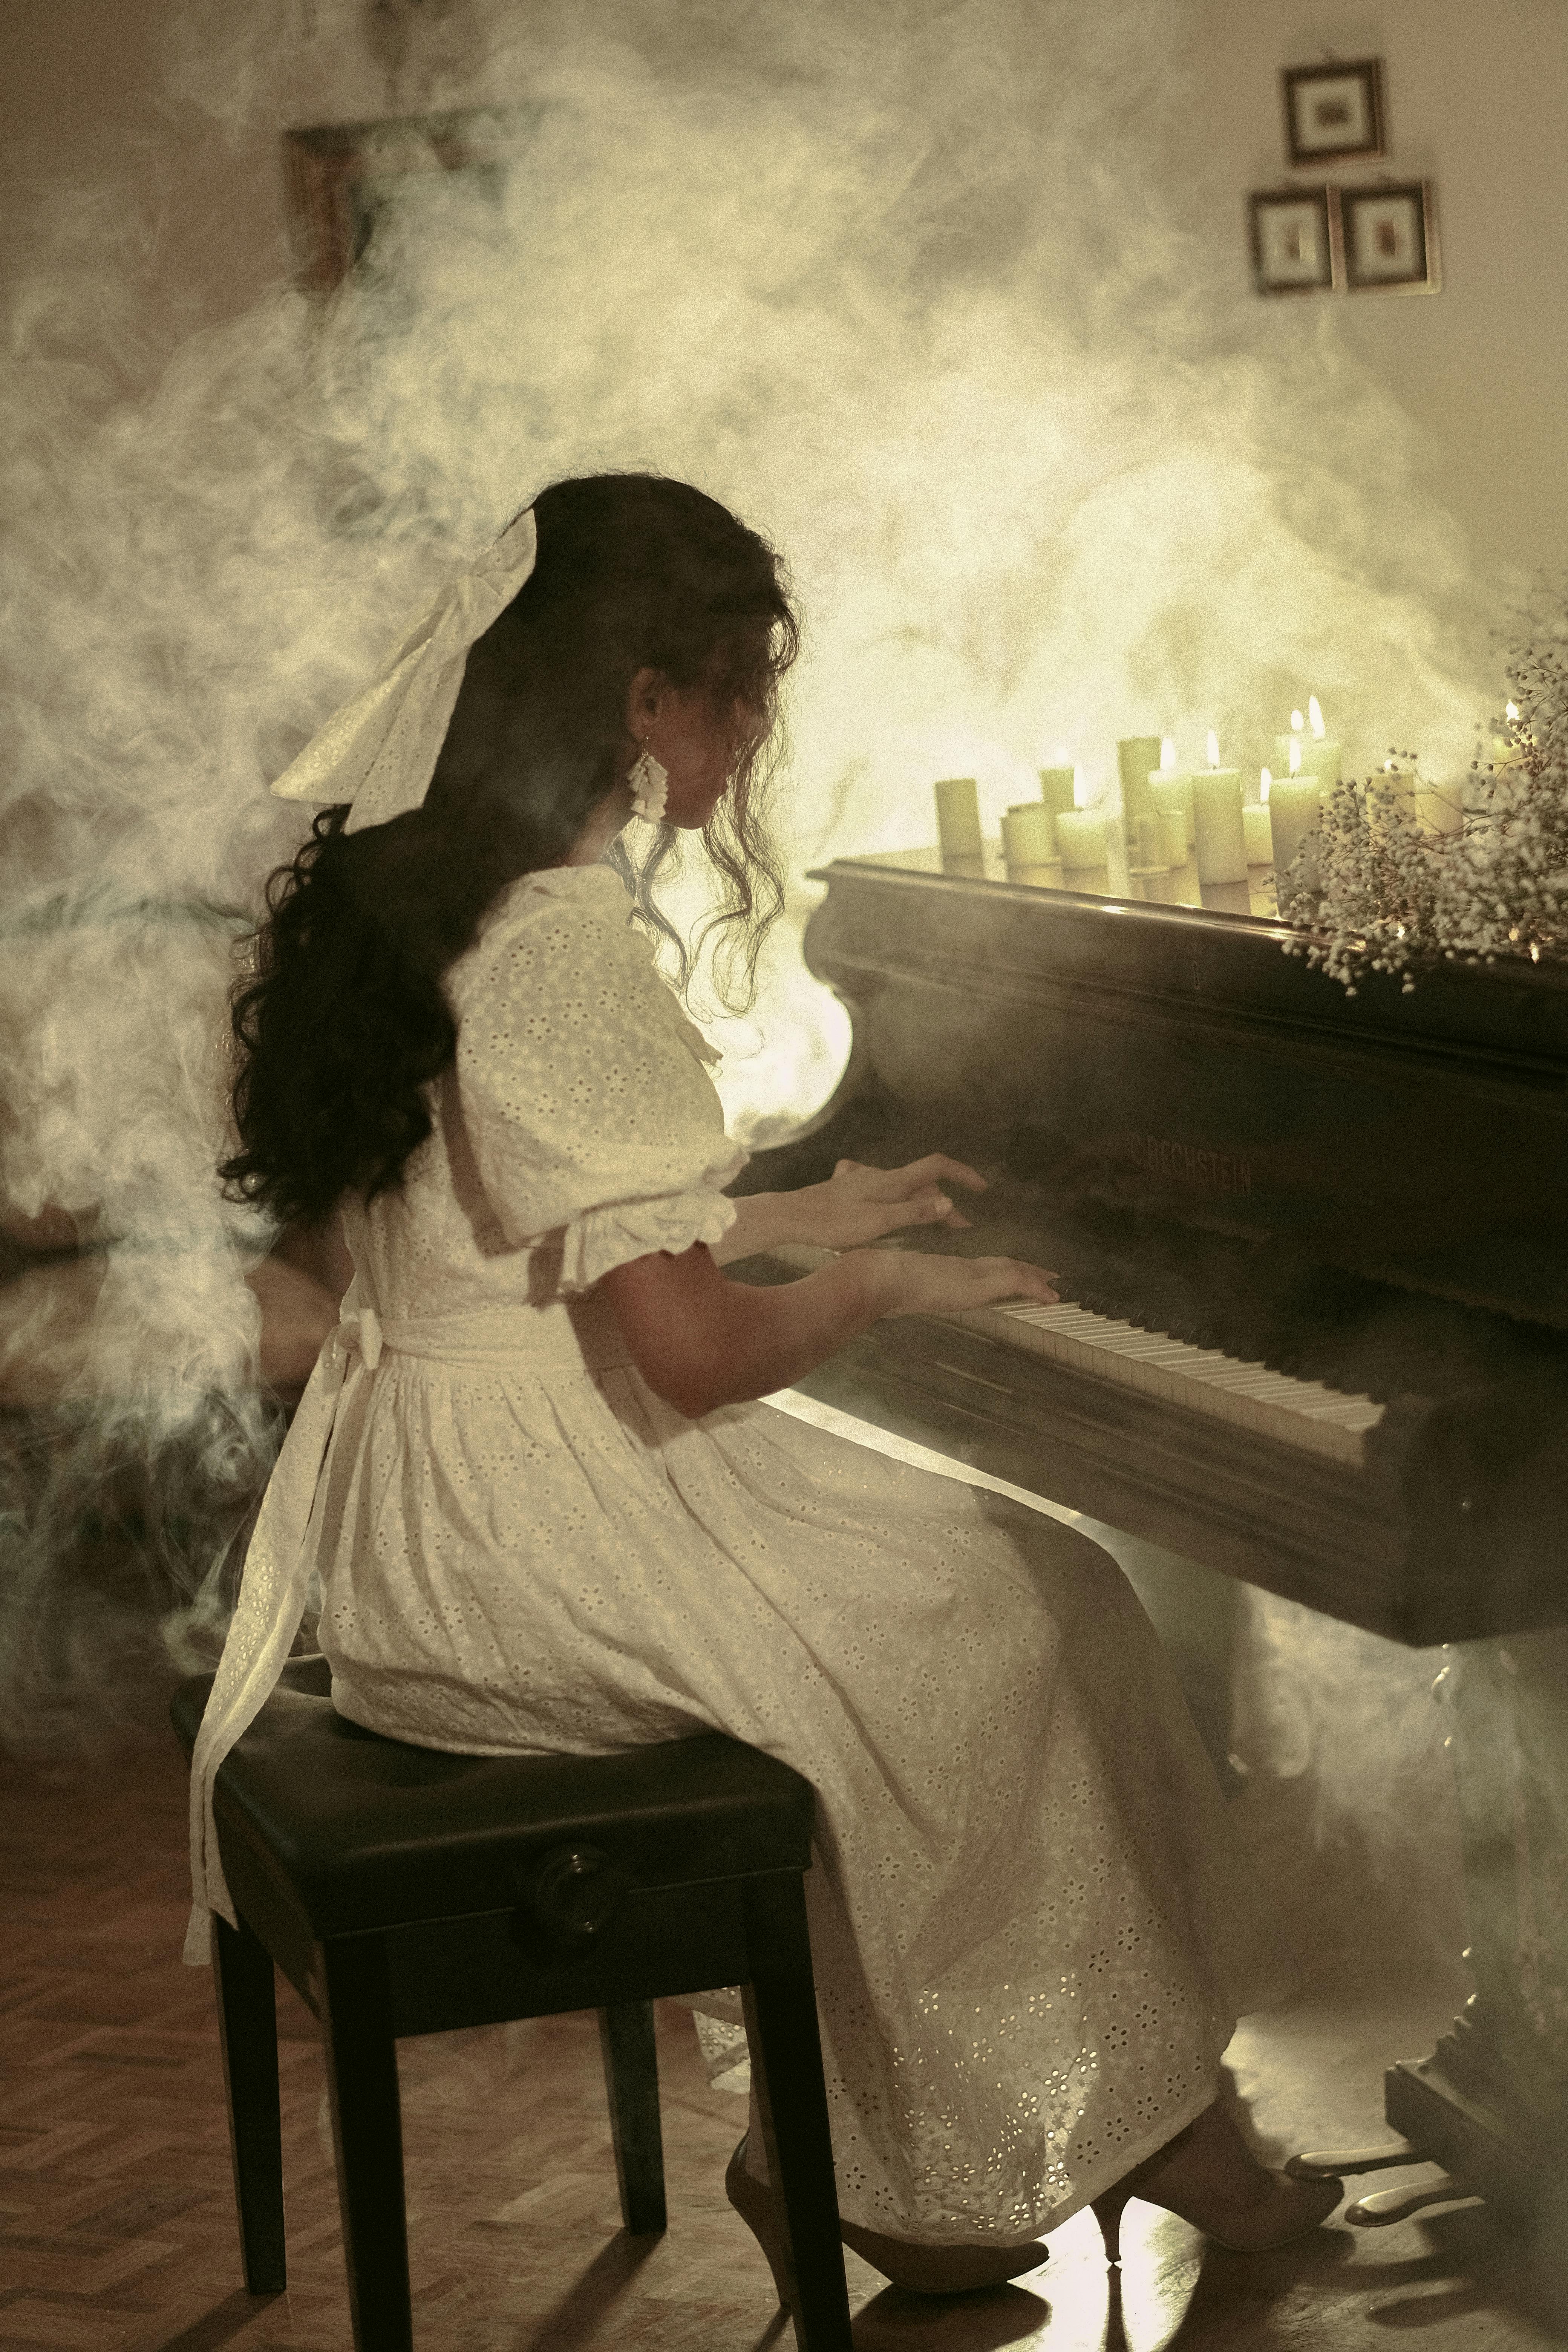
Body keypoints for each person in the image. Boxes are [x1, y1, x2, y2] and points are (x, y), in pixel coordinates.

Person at [185, 471, 1340, 2298]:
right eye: (741, 687)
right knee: (1009, 1617)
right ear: (647, 701)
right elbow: (690, 1354)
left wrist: (794, 1207)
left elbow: (500, 1236)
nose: (749, 731)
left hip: (422, 1527)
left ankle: (947, 2139)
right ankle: (986, 2147)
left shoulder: (424, 893)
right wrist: (882, 1283)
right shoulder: (561, 949)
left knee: (997, 1607)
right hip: (529, 1542)